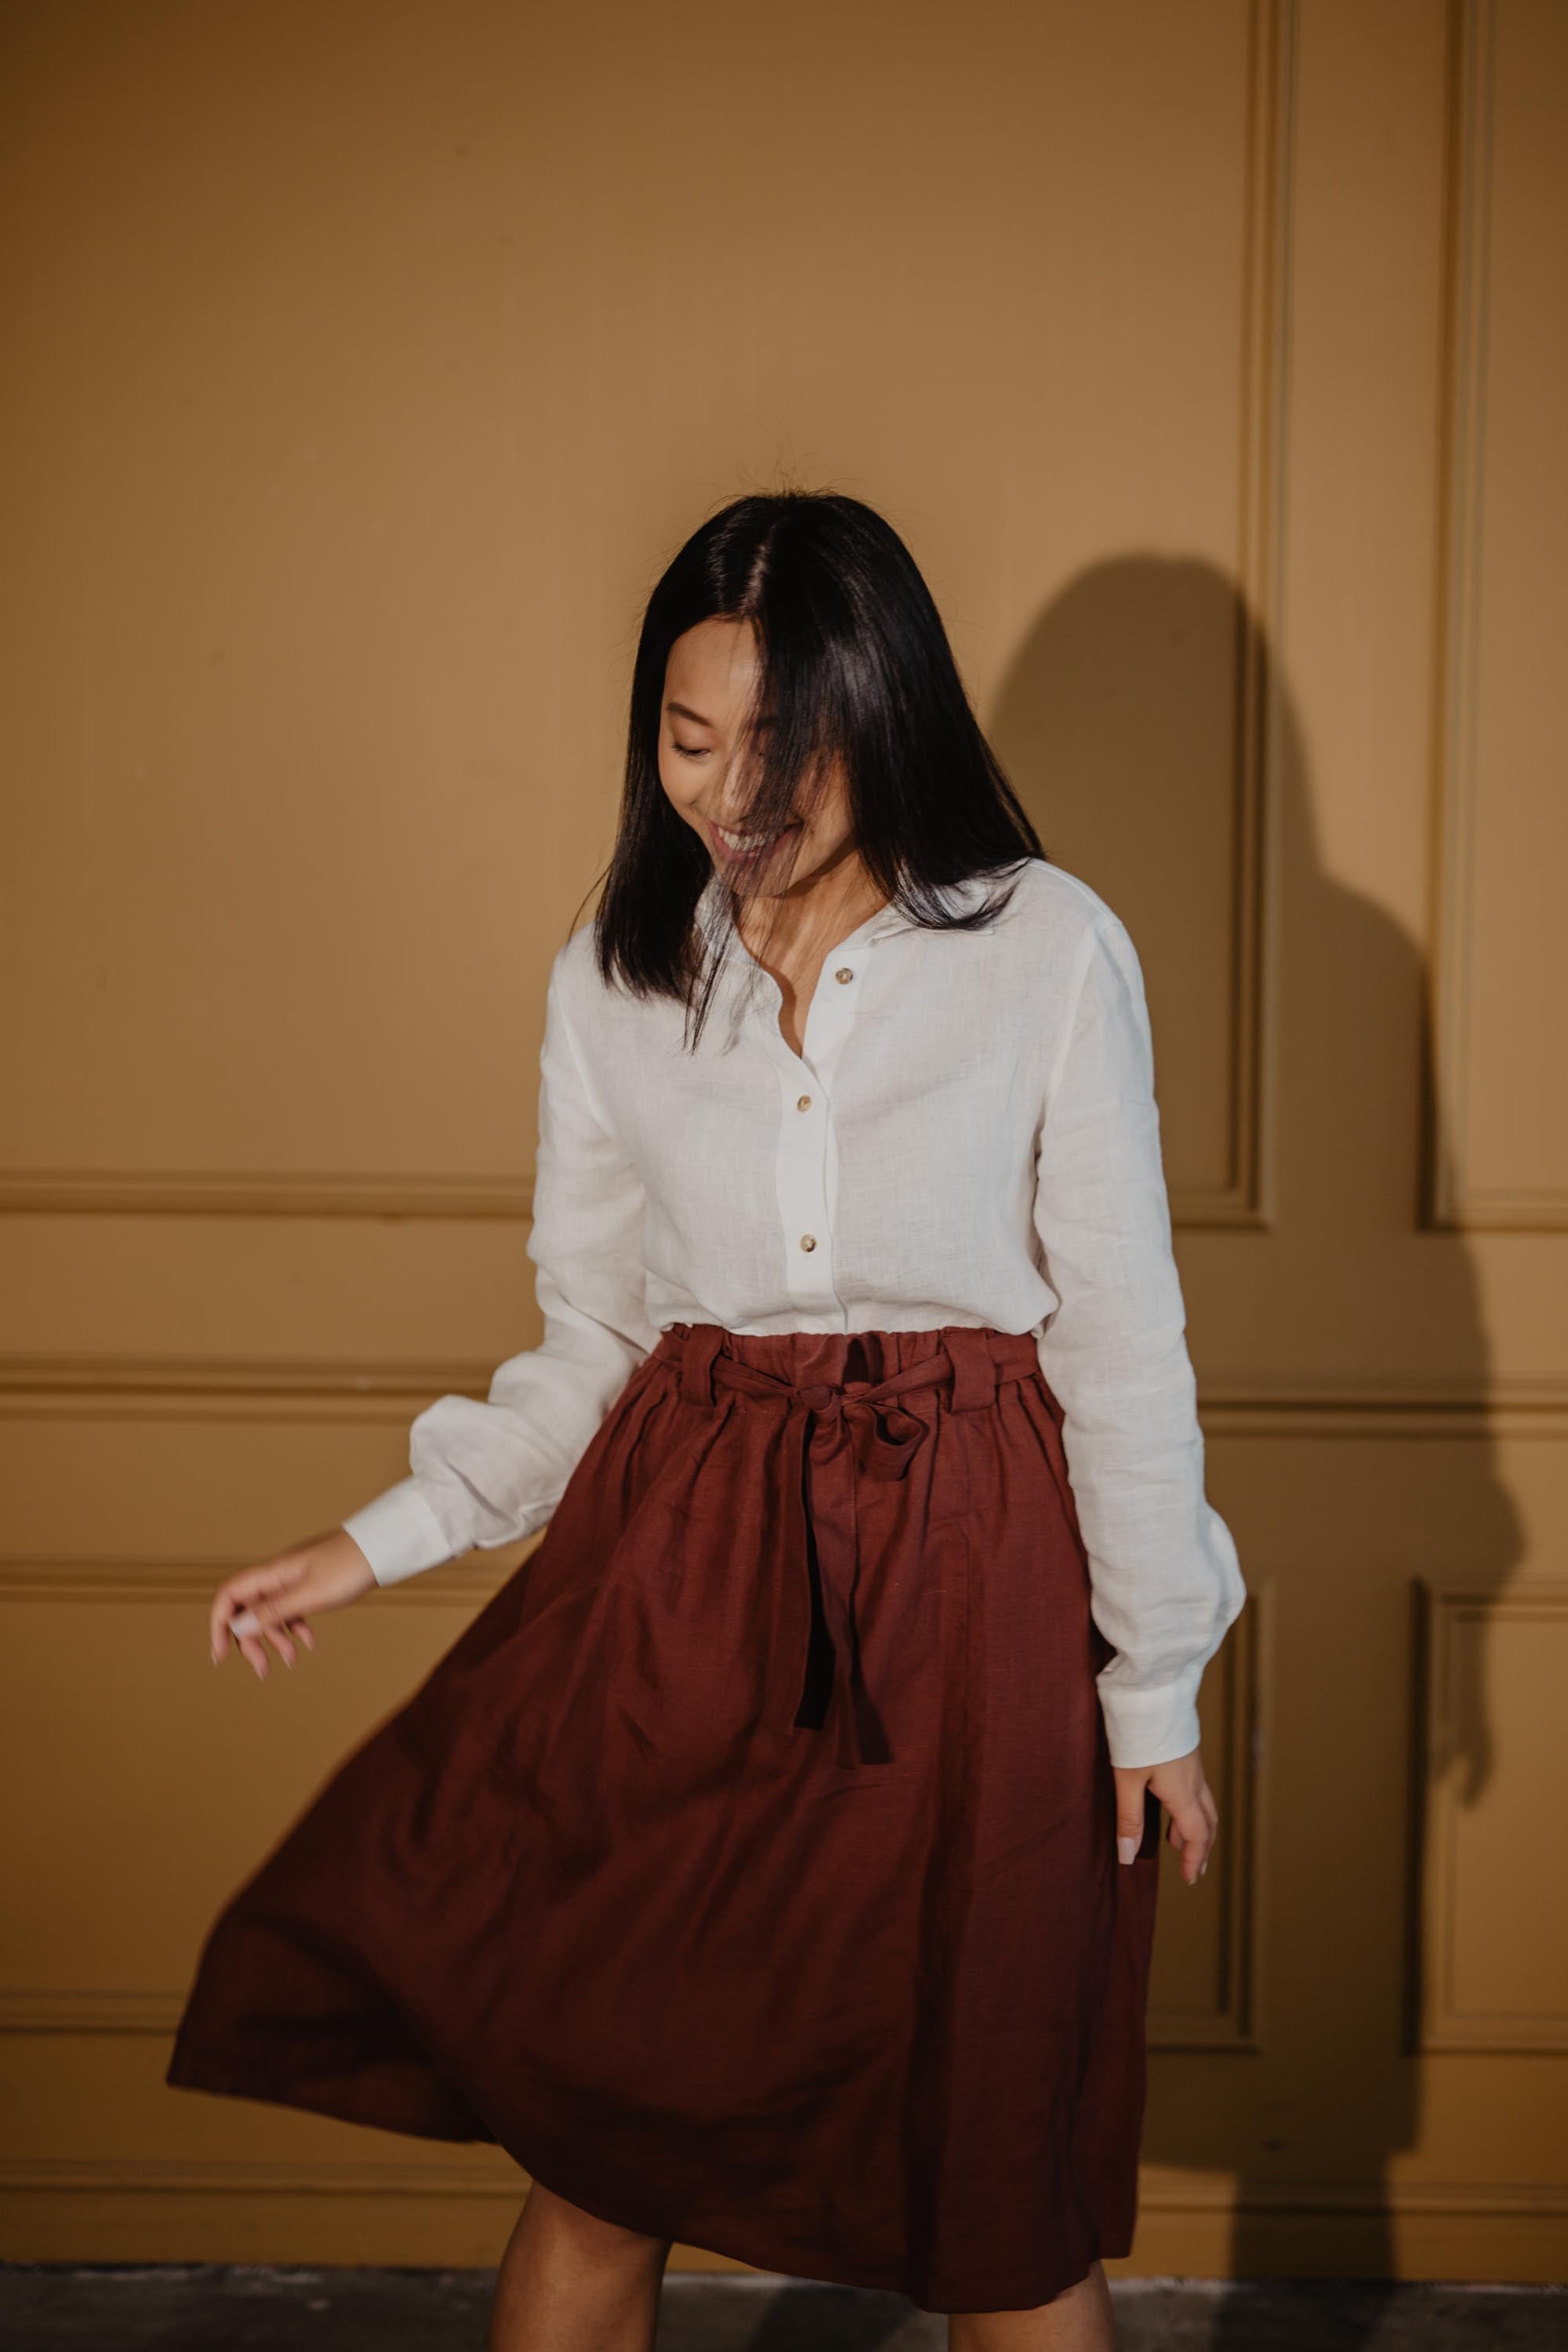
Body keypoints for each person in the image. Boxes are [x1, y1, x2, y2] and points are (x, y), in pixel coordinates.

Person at [165, 488, 1246, 2352]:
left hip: (975, 1587)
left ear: (885, 716)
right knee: (609, 2131)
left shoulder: (1046, 952)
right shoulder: (613, 977)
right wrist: (375, 1541)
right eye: (687, 738)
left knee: (992, 2172)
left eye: (783, 744)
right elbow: (592, 1342)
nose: (729, 792)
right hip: (688, 1586)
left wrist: (1149, 1689)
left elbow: (1121, 1347)